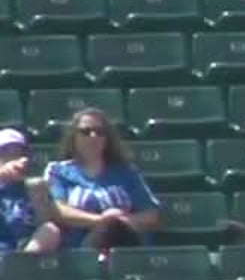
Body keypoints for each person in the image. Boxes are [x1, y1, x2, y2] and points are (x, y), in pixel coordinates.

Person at [45, 108, 161, 251]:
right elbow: (59, 211)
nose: (93, 136)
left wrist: (120, 222)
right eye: (85, 132)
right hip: (80, 250)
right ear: (73, 137)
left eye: (100, 132)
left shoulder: (126, 172)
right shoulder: (58, 172)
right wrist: (103, 221)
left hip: (124, 243)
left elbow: (151, 215)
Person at [0, 128, 59, 256]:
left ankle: (18, 268)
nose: (13, 160)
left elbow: (45, 225)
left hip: (23, 257)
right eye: (6, 154)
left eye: (18, 154)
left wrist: (37, 194)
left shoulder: (33, 188)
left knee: (50, 230)